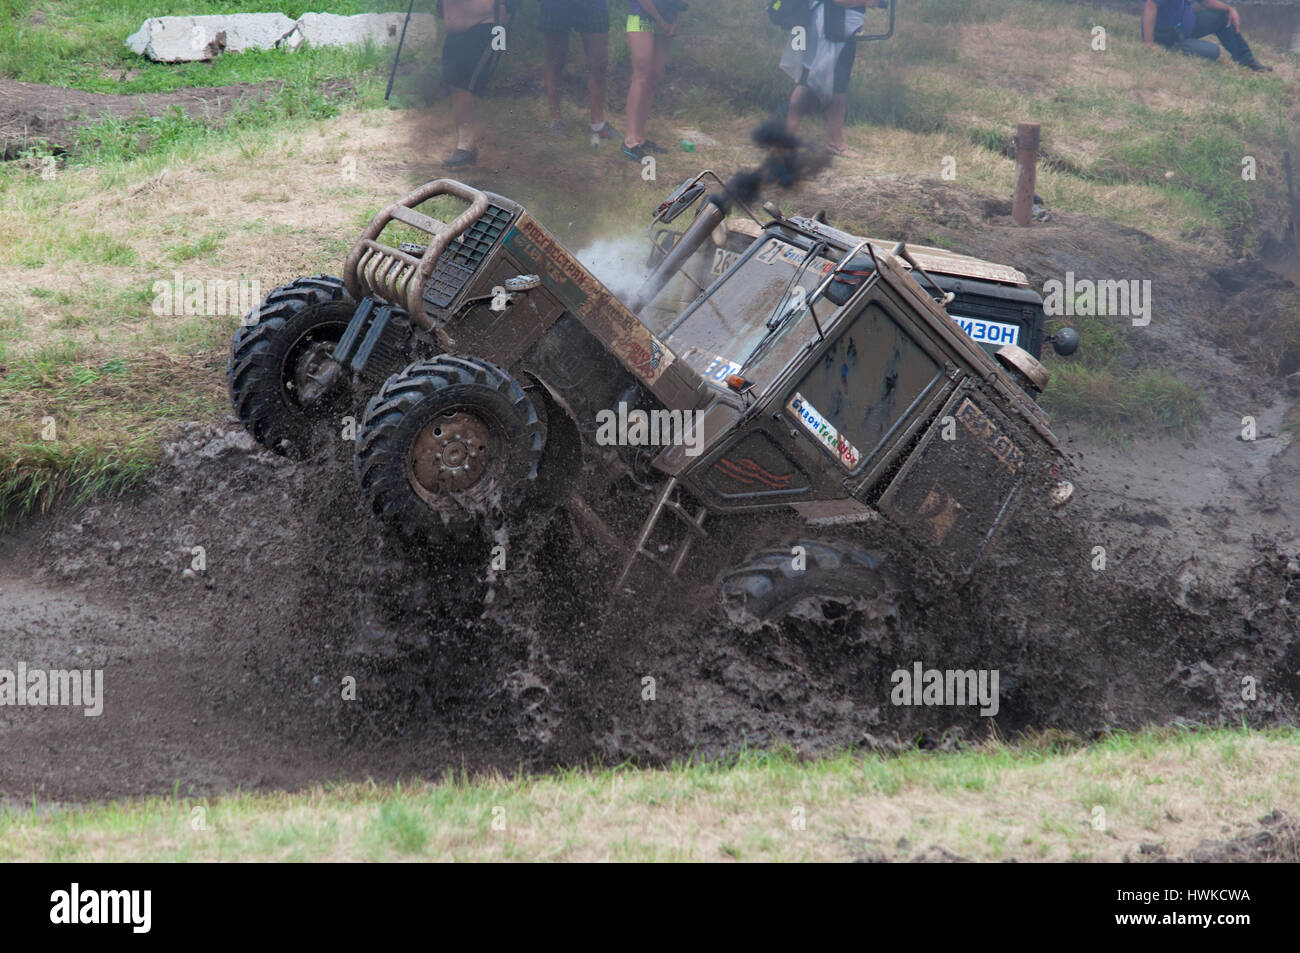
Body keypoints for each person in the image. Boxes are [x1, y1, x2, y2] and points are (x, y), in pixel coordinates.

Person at [782, 0, 883, 158]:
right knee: (836, 87)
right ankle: (835, 143)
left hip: (835, 28)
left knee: (811, 81)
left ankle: (789, 138)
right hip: (833, 30)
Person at [440, 0, 509, 169]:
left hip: (485, 27)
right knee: (456, 86)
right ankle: (466, 145)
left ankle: (465, 147)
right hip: (456, 34)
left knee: (464, 87)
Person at [538, 1, 619, 142]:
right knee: (556, 59)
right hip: (556, 5)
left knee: (599, 62)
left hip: (594, 5)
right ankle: (556, 120)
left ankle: (597, 124)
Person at [622, 0, 687, 162]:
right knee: (641, 77)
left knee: (653, 78)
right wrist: (661, 20)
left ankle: (640, 137)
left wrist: (675, 22)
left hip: (667, 20)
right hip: (642, 16)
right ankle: (630, 141)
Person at [1141, 0, 1272, 71]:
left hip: (1187, 28)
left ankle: (1246, 60)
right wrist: (1148, 44)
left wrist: (1229, 9)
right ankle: (1175, 49)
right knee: (1213, 52)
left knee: (1223, 17)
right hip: (1168, 36)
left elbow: (1208, 2)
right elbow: (1150, 5)